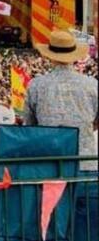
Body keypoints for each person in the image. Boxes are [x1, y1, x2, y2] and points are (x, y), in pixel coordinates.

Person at [24, 29, 97, 172]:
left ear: (50, 57)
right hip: (86, 165)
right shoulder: (92, 85)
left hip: (50, 166)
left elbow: (30, 125)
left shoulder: (36, 85)